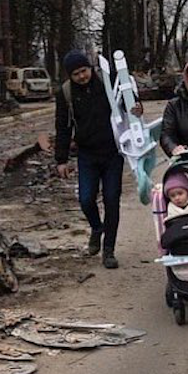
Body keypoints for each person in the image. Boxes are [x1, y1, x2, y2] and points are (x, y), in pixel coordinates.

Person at [54, 50, 143, 269]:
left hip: (113, 152)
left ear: (91, 67)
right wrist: (61, 159)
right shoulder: (65, 93)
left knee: (112, 200)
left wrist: (137, 108)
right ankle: (96, 227)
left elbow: (129, 96)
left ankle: (109, 250)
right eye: (76, 74)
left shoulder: (107, 81)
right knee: (86, 199)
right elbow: (62, 127)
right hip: (87, 154)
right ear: (70, 76)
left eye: (84, 71)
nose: (82, 77)